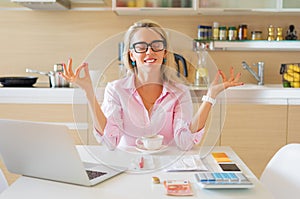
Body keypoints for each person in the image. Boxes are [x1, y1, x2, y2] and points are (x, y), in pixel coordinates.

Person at [61, 19, 243, 151]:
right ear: (131, 54)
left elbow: (185, 142)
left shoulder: (180, 92)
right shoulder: (115, 90)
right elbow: (111, 141)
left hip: (168, 169)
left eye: (156, 45)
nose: (149, 51)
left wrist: (210, 97)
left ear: (164, 52)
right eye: (141, 46)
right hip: (128, 168)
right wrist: (89, 92)